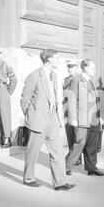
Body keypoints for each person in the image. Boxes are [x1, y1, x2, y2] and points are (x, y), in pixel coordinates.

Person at [20, 49, 75, 191]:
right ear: (49, 59)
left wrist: (58, 117)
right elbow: (24, 99)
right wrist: (31, 116)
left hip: (52, 119)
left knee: (58, 151)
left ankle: (60, 182)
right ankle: (28, 178)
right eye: (57, 58)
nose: (59, 60)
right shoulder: (34, 76)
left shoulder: (54, 75)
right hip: (37, 120)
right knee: (33, 152)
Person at [65, 59, 104, 177]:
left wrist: (100, 116)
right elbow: (71, 99)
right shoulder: (76, 80)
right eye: (93, 68)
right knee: (80, 142)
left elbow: (95, 99)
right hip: (82, 118)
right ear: (86, 68)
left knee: (92, 144)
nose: (95, 70)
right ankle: (67, 165)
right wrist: (73, 118)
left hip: (93, 118)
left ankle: (91, 167)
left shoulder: (90, 80)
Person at [63, 61, 82, 166]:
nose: (69, 69)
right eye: (68, 67)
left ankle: (77, 156)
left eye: (72, 67)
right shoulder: (66, 80)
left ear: (77, 67)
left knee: (77, 134)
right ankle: (73, 154)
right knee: (69, 133)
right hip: (66, 109)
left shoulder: (80, 79)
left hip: (75, 110)